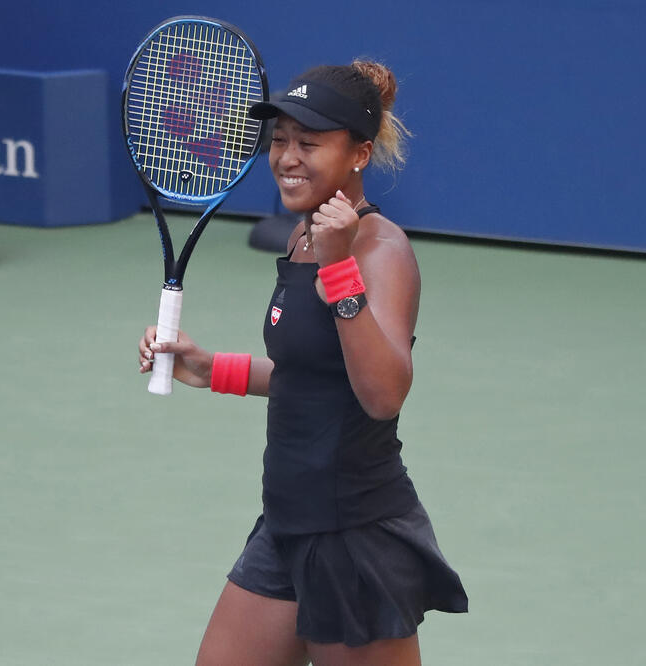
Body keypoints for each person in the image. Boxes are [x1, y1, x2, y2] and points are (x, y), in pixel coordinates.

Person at [137, 61, 468, 666]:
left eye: (309, 144)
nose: (287, 158)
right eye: (280, 140)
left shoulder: (382, 250)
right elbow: (311, 376)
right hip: (287, 522)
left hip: (353, 537)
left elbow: (382, 394)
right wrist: (209, 369)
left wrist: (340, 272)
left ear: (359, 153)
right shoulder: (304, 237)